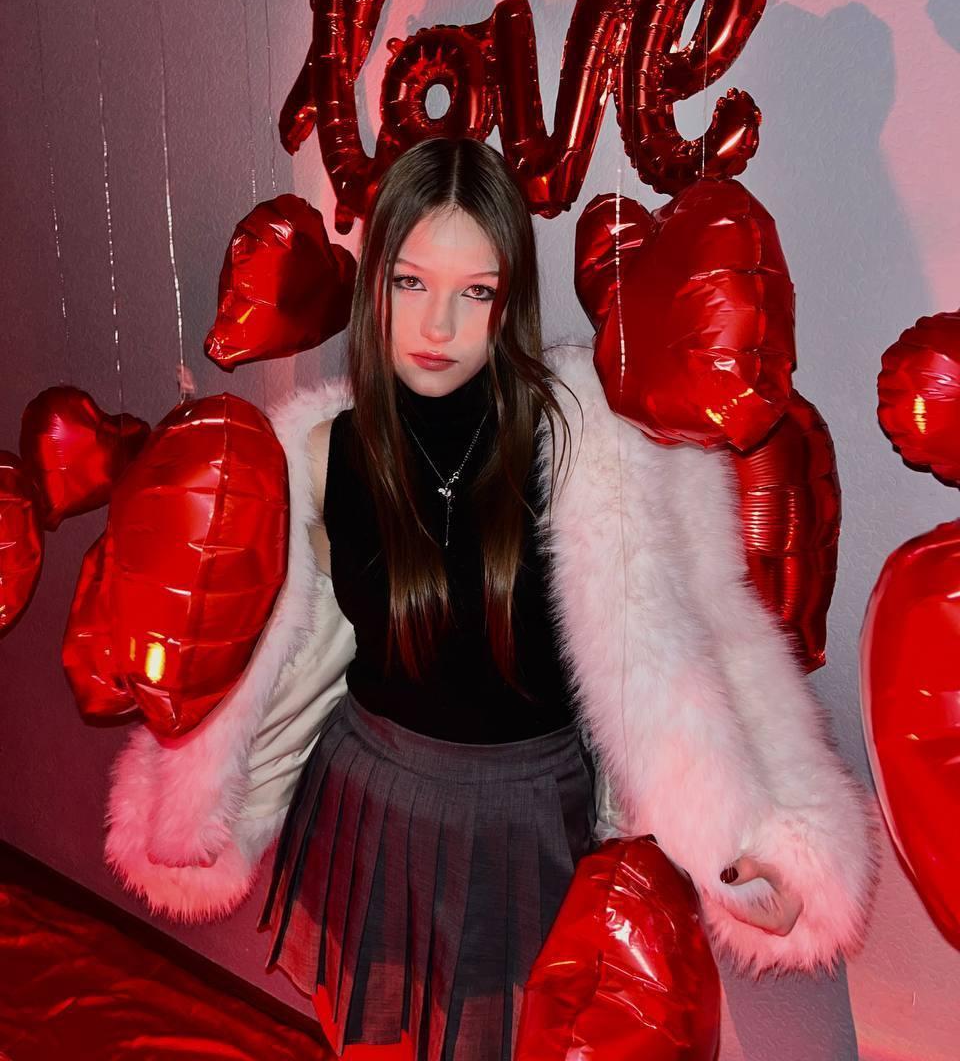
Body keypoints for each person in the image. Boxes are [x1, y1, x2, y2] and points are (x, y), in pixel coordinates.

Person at [104, 137, 879, 1061]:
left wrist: (763, 836)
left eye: (475, 292)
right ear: (374, 284)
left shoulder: (593, 443)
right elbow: (270, 658)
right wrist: (190, 791)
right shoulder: (319, 455)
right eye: (411, 283)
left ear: (509, 300)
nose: (438, 324)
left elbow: (707, 638)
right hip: (372, 801)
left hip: (532, 820)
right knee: (371, 1039)